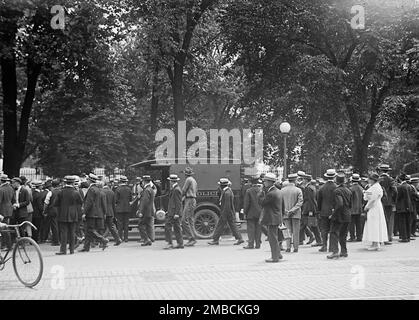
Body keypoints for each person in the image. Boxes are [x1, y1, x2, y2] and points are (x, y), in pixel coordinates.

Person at [208, 178, 244, 246]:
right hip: (228, 212)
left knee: (220, 225)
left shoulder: (227, 193)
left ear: (222, 185)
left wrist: (224, 214)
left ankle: (215, 240)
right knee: (232, 225)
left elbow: (227, 205)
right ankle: (239, 238)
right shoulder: (227, 191)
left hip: (226, 212)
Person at [79, 173, 109, 252]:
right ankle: (86, 247)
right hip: (97, 213)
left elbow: (89, 202)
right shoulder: (98, 189)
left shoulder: (91, 189)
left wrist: (84, 212)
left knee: (90, 230)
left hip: (91, 213)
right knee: (88, 231)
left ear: (89, 180)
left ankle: (103, 239)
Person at [54, 176, 83, 255]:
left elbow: (55, 203)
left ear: (65, 182)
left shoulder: (61, 192)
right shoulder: (76, 192)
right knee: (72, 232)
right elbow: (80, 202)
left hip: (63, 214)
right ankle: (72, 250)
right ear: (73, 183)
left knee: (64, 232)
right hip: (73, 214)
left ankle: (63, 250)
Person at [259, 172, 283, 262]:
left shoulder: (271, 193)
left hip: (272, 218)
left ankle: (274, 257)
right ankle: (278, 254)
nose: (264, 183)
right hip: (277, 217)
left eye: (265, 181)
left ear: (269, 182)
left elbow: (262, 202)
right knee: (275, 237)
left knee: (272, 238)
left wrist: (261, 193)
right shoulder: (278, 191)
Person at [327, 173, 352, 259]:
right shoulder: (348, 190)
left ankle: (335, 252)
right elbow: (350, 204)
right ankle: (344, 251)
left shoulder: (337, 191)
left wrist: (333, 214)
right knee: (343, 234)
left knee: (334, 233)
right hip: (347, 215)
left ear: (336, 181)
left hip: (339, 215)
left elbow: (339, 204)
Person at [362, 173, 388, 250]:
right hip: (376, 206)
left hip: (374, 207)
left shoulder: (376, 188)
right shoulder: (374, 187)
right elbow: (366, 197)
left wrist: (367, 207)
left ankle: (376, 243)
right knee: (373, 224)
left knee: (374, 224)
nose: (368, 180)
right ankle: (374, 242)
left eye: (370, 179)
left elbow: (372, 199)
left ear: (373, 180)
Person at [281, 173, 303, 253]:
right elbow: (300, 202)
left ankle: (288, 247)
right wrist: (293, 210)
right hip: (296, 213)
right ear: (295, 180)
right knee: (296, 231)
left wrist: (286, 211)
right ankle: (296, 247)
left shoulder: (282, 190)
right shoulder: (298, 190)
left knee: (287, 230)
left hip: (285, 213)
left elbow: (280, 203)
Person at [317, 169, 337, 252]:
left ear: (326, 176)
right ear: (334, 176)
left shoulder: (322, 188)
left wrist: (319, 211)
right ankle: (332, 247)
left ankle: (324, 245)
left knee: (324, 229)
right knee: (333, 229)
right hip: (334, 211)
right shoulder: (336, 187)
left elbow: (319, 201)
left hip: (324, 211)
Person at [299, 174, 322, 246]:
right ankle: (314, 239)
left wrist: (310, 211)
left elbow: (310, 200)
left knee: (309, 225)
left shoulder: (308, 188)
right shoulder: (312, 187)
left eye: (303, 179)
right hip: (310, 208)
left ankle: (317, 240)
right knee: (307, 224)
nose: (302, 181)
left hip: (309, 209)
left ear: (306, 180)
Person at [377, 164, 398, 244]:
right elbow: (395, 190)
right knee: (389, 221)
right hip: (389, 203)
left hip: (379, 202)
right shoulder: (390, 179)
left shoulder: (378, 179)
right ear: (387, 171)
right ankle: (388, 238)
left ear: (381, 171)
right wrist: (393, 200)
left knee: (380, 220)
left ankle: (379, 238)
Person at [164, 174, 184, 249]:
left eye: (170, 181)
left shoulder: (176, 190)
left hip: (174, 213)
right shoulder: (175, 188)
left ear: (171, 181)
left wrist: (176, 213)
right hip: (172, 212)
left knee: (168, 226)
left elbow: (178, 203)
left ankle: (170, 243)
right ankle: (180, 243)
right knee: (176, 227)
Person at [243, 176, 263, 249]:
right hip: (259, 213)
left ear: (251, 183)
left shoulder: (249, 191)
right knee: (258, 229)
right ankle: (258, 244)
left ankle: (251, 244)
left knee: (251, 229)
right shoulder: (261, 191)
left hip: (250, 213)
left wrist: (245, 212)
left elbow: (246, 203)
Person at [101, 181, 122, 246]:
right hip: (110, 211)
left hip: (102, 211)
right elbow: (113, 204)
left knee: (102, 227)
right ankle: (118, 239)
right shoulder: (112, 192)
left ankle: (102, 240)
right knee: (111, 226)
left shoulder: (101, 192)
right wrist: (114, 213)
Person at [181, 167, 198, 247]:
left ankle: (191, 239)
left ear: (186, 174)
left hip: (189, 200)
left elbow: (184, 190)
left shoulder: (188, 180)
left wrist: (179, 198)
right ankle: (193, 237)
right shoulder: (193, 180)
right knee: (190, 219)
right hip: (192, 199)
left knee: (184, 220)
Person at [137, 175, 155, 246]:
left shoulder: (146, 190)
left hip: (145, 211)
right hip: (150, 210)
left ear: (144, 181)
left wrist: (140, 211)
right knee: (148, 225)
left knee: (141, 225)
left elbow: (144, 202)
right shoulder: (150, 189)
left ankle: (146, 239)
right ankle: (149, 239)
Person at [396, 173, 413, 242]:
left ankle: (404, 237)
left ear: (399, 179)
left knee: (402, 222)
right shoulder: (409, 186)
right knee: (407, 222)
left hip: (402, 207)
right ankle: (408, 236)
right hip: (409, 206)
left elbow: (398, 197)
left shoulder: (400, 187)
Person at [43, 179, 60, 246]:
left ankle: (56, 241)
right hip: (60, 210)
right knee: (60, 225)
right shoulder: (61, 191)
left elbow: (46, 203)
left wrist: (44, 211)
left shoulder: (50, 192)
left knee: (54, 226)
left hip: (52, 211)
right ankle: (61, 239)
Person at [115, 176, 132, 243]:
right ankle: (126, 238)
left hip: (119, 208)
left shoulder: (118, 189)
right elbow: (130, 199)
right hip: (127, 208)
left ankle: (120, 238)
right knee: (126, 224)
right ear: (126, 182)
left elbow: (116, 200)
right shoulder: (129, 189)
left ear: (120, 181)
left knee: (120, 224)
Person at [348, 174, 365, 242]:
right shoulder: (361, 188)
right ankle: (359, 237)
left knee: (351, 223)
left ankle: (352, 237)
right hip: (359, 208)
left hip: (352, 208)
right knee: (359, 223)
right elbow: (364, 199)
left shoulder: (350, 189)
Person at [0, 174, 14, 250]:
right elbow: (13, 199)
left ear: (1, 180)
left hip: (2, 210)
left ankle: (7, 246)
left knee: (3, 228)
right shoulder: (11, 188)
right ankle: (4, 245)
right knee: (5, 227)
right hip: (9, 210)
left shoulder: (1, 189)